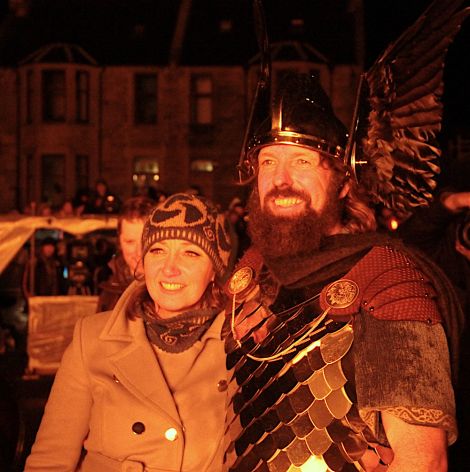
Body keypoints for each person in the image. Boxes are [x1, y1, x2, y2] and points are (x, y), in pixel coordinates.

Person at [222, 72, 462, 471]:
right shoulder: (253, 268)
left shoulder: (384, 278)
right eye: (268, 161)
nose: (281, 180)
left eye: (302, 162)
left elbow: (423, 459)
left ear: (344, 182)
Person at [25, 193, 235, 472]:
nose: (169, 268)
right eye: (158, 251)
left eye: (190, 252)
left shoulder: (239, 343)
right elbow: (50, 461)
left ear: (214, 271)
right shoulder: (92, 338)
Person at [96, 196, 155, 312]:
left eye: (146, 241)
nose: (139, 252)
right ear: (119, 242)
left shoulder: (173, 291)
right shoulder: (110, 290)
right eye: (130, 242)